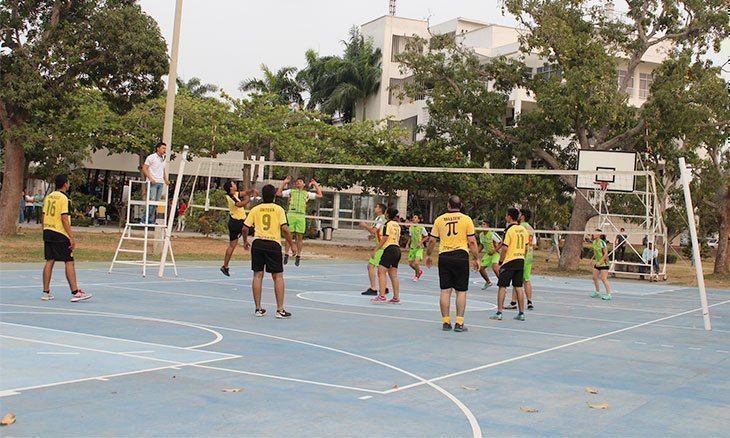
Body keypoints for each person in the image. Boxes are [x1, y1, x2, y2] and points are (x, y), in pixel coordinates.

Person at [425, 195, 481, 333]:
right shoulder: (466, 219)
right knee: (461, 291)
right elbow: (472, 241)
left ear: (448, 205)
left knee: (445, 290)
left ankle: (446, 321)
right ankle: (459, 322)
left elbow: (432, 241)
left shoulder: (439, 219)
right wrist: (476, 258)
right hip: (461, 256)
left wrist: (428, 255)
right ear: (460, 205)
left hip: (444, 256)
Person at [242, 184, 296, 318]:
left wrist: (245, 241)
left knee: (257, 275)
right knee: (277, 276)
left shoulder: (256, 209)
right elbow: (284, 229)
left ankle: (258, 309)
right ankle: (280, 310)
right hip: (273, 244)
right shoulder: (278, 209)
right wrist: (292, 244)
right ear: (274, 196)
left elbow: (244, 228)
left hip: (258, 243)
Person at [41, 174, 92, 302]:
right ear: (65, 184)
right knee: (69, 261)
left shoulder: (48, 197)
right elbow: (64, 218)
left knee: (49, 260)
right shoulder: (64, 199)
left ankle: (46, 292)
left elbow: (43, 215)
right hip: (60, 232)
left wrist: (44, 229)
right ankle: (75, 292)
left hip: (48, 230)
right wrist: (71, 236)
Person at [490, 208, 528, 321]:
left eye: (506, 216)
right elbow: (526, 248)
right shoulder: (523, 230)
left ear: (510, 217)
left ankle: (499, 312)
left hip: (509, 261)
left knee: (502, 286)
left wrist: (500, 263)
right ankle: (521, 313)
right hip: (520, 260)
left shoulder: (509, 230)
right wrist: (521, 257)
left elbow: (505, 248)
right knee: (518, 287)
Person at [276, 176, 323, 266]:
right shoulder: (291, 191)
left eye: (300, 181)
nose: (298, 183)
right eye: (297, 181)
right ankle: (286, 254)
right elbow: (278, 193)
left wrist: (315, 184)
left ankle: (298, 255)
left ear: (304, 184)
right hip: (291, 214)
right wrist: (284, 182)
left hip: (301, 215)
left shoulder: (306, 193)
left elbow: (320, 195)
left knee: (299, 236)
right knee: (288, 235)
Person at [220, 181, 258, 277]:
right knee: (258, 231)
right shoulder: (230, 197)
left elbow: (245, 193)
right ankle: (260, 259)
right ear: (230, 187)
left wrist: (252, 190)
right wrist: (251, 199)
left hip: (234, 222)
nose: (235, 185)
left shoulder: (235, 194)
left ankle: (225, 266)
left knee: (232, 245)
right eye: (234, 184)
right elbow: (240, 204)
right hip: (238, 222)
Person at [371, 207, 403, 304]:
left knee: (381, 272)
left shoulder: (387, 224)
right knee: (393, 275)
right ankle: (396, 297)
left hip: (390, 249)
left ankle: (382, 296)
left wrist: (375, 250)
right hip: (397, 249)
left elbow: (385, 237)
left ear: (387, 214)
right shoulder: (397, 225)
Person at [506, 209, 535, 310]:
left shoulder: (519, 227)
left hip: (520, 255)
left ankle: (514, 302)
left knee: (516, 280)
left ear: (522, 216)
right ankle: (529, 301)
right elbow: (534, 244)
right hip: (529, 256)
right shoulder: (531, 228)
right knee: (526, 279)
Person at [359, 203, 389, 296]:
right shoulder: (379, 219)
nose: (375, 208)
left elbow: (373, 230)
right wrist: (372, 236)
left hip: (382, 247)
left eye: (376, 207)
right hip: (383, 246)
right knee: (382, 268)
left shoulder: (381, 219)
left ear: (380, 209)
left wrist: (365, 225)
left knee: (370, 266)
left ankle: (373, 288)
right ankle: (385, 288)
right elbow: (377, 232)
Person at [141, 142, 170, 224]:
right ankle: (144, 219)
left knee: (156, 202)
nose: (164, 150)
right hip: (152, 182)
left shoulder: (163, 158)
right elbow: (144, 168)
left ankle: (150, 219)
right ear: (158, 148)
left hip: (160, 182)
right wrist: (150, 178)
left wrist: (165, 179)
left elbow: (162, 169)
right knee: (151, 200)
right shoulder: (151, 157)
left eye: (165, 148)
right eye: (163, 148)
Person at [477, 219, 502, 290]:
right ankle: (488, 282)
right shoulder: (481, 235)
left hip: (495, 254)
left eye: (484, 224)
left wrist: (494, 251)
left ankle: (502, 285)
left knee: (495, 268)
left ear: (488, 226)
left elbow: (501, 242)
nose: (482, 226)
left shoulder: (492, 234)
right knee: (481, 269)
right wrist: (476, 253)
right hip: (488, 254)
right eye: (482, 224)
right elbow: (481, 245)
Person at [590, 230, 613, 300]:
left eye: (595, 233)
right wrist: (592, 258)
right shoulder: (594, 242)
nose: (593, 234)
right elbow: (596, 252)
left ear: (599, 235)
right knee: (594, 277)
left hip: (604, 263)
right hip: (597, 263)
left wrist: (600, 262)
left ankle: (609, 294)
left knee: (604, 279)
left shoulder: (602, 243)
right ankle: (597, 292)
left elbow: (605, 254)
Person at [406, 213, 429, 282]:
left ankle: (416, 276)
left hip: (419, 248)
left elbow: (426, 237)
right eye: (413, 217)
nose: (414, 219)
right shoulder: (411, 227)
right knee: (410, 264)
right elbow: (410, 237)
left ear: (418, 220)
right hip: (412, 248)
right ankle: (419, 271)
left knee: (416, 263)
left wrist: (421, 242)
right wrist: (407, 244)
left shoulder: (421, 227)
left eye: (415, 217)